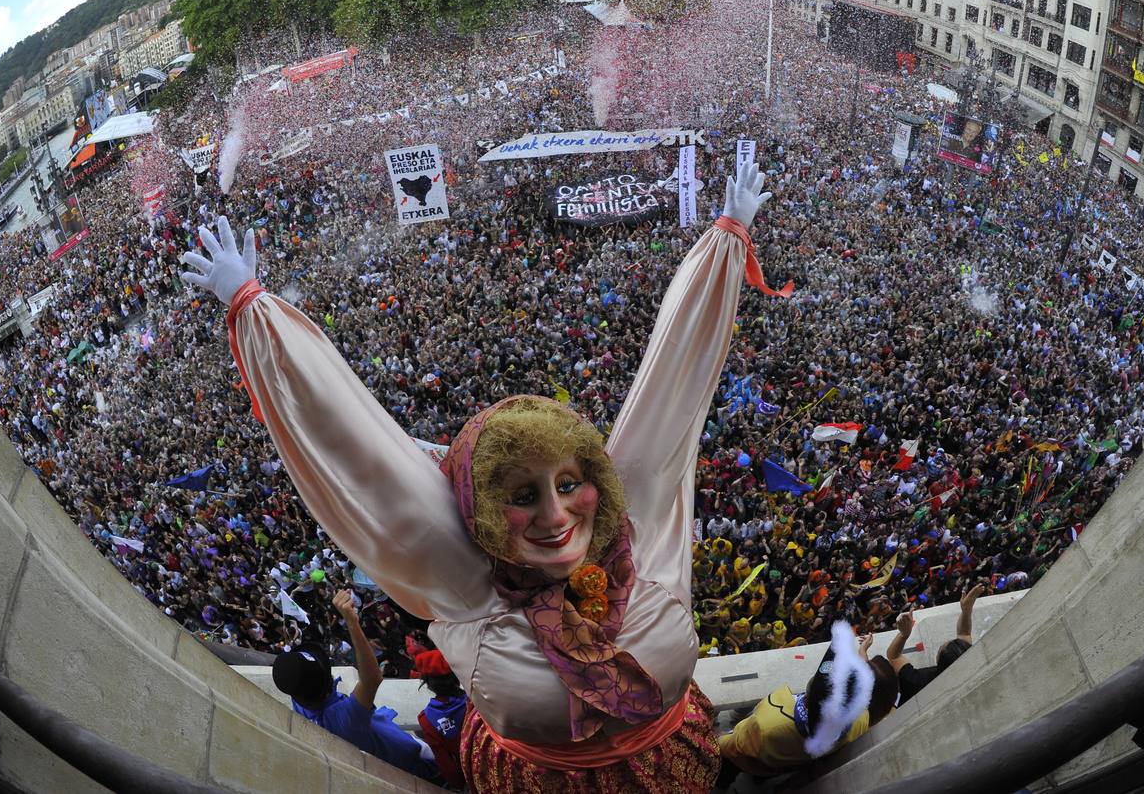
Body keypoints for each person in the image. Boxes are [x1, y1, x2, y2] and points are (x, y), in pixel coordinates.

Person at [180, 163, 785, 792]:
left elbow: (673, 385)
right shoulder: (461, 577)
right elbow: (353, 443)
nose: (555, 516)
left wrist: (726, 241)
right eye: (522, 496)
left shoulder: (638, 518)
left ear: (601, 479)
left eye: (568, 482)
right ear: (479, 509)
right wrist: (256, 312)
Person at [271, 589, 438, 781]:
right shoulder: (344, 720)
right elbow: (372, 679)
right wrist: (352, 622)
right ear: (326, 684)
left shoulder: (300, 701)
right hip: (412, 762)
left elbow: (294, 676)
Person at [716, 620, 900, 779]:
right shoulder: (860, 721)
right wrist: (862, 652)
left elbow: (729, 745)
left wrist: (717, 738)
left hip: (747, 759)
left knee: (727, 770)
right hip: (780, 766)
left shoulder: (767, 724)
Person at [887, 583, 985, 704]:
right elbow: (964, 634)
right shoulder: (970, 673)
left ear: (940, 660)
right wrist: (966, 611)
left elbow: (894, 656)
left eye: (941, 648)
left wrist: (904, 634)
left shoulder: (918, 681)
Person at [410, 641, 469, 790]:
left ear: (428, 684)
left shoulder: (427, 720)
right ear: (456, 677)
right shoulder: (475, 698)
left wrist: (459, 785)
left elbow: (446, 764)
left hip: (472, 771)